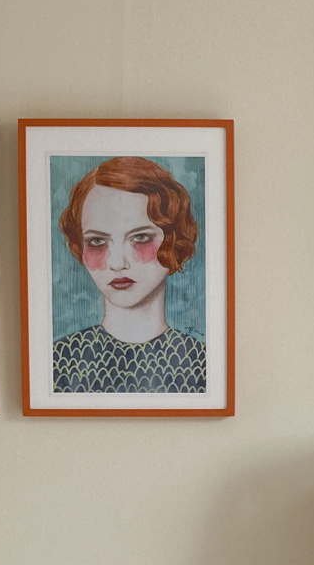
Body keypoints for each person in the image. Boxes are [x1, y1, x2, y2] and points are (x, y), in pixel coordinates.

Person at [52, 157, 206, 393]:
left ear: (175, 240)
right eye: (97, 241)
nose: (117, 263)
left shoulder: (203, 365)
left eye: (141, 237)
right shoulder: (57, 362)